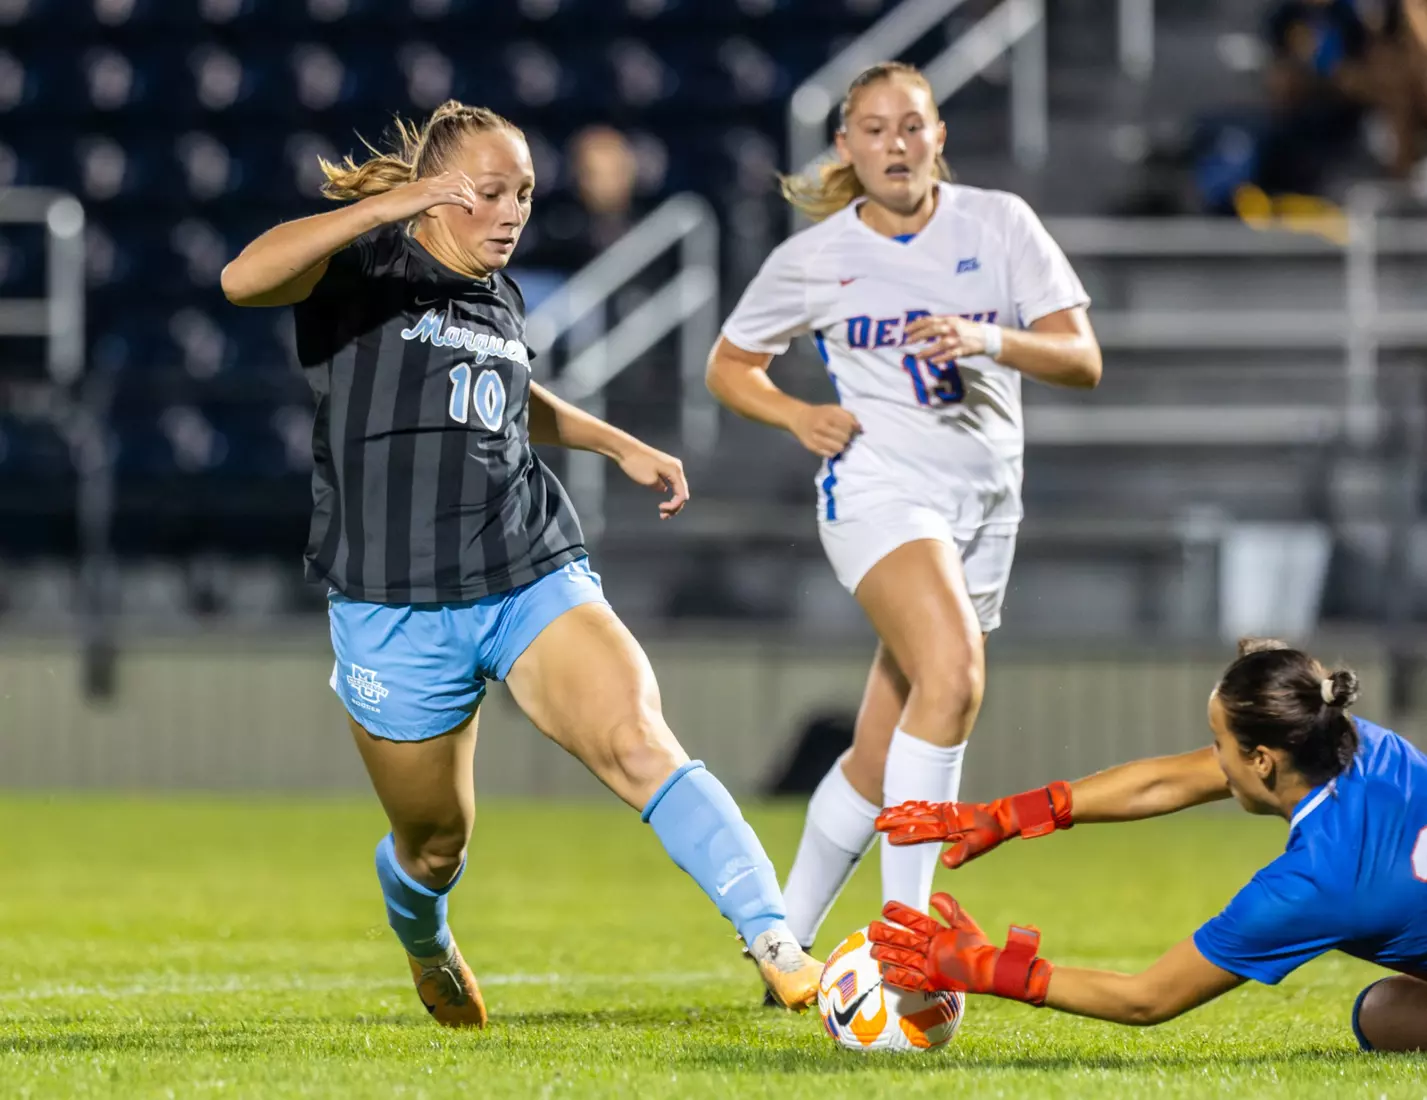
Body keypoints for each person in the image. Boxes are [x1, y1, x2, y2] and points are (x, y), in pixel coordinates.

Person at [219, 100, 823, 1027]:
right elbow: (240, 278)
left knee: (637, 739)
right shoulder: (363, 269)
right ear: (435, 194)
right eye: (490, 192)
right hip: (394, 602)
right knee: (433, 846)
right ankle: (424, 934)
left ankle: (777, 941)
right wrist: (391, 206)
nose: (512, 212)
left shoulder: (497, 293)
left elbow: (504, 393)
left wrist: (614, 442)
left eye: (526, 194)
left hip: (525, 567)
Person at [705, 62, 1101, 964]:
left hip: (986, 504)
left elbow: (1081, 359)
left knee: (881, 755)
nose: (895, 144)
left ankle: (780, 946)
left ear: (938, 137)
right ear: (845, 146)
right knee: (954, 675)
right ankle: (906, 943)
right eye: (874, 129)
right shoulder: (813, 257)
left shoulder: (997, 224)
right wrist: (796, 413)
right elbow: (729, 365)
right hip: (876, 490)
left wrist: (984, 336)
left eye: (911, 125)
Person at [869, 639, 1427, 1053]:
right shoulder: (1363, 743)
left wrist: (989, 969)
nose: (1212, 762)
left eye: (1219, 744)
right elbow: (1167, 782)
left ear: (1262, 760)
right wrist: (1007, 815)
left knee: (1381, 1015)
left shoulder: (1313, 885)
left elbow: (1146, 998)